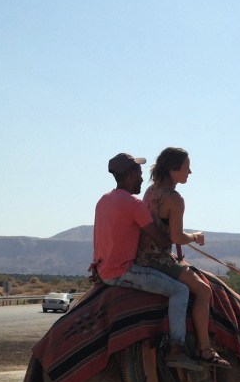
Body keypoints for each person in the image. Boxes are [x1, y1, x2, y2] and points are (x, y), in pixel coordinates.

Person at [93, 152, 202, 370]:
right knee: (180, 291)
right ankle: (176, 349)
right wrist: (184, 234)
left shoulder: (104, 200)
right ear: (131, 175)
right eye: (140, 174)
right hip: (124, 272)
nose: (143, 179)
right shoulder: (134, 204)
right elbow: (162, 241)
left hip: (103, 269)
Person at [138, 147, 230, 368]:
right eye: (187, 168)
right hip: (158, 260)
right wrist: (195, 236)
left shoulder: (151, 191)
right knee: (204, 290)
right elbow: (177, 237)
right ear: (173, 169)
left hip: (141, 257)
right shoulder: (174, 199)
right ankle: (204, 349)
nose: (190, 172)